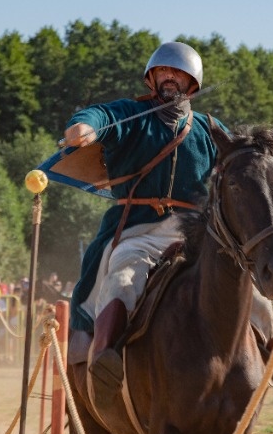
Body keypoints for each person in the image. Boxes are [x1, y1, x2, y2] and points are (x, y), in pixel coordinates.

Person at [63, 42, 229, 399]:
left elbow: (241, 158)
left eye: (177, 71)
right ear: (152, 78)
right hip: (137, 230)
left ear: (192, 82)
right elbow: (99, 117)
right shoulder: (131, 114)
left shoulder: (209, 128)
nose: (169, 76)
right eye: (163, 71)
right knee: (123, 278)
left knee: (250, 287)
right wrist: (83, 129)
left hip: (196, 235)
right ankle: (105, 358)